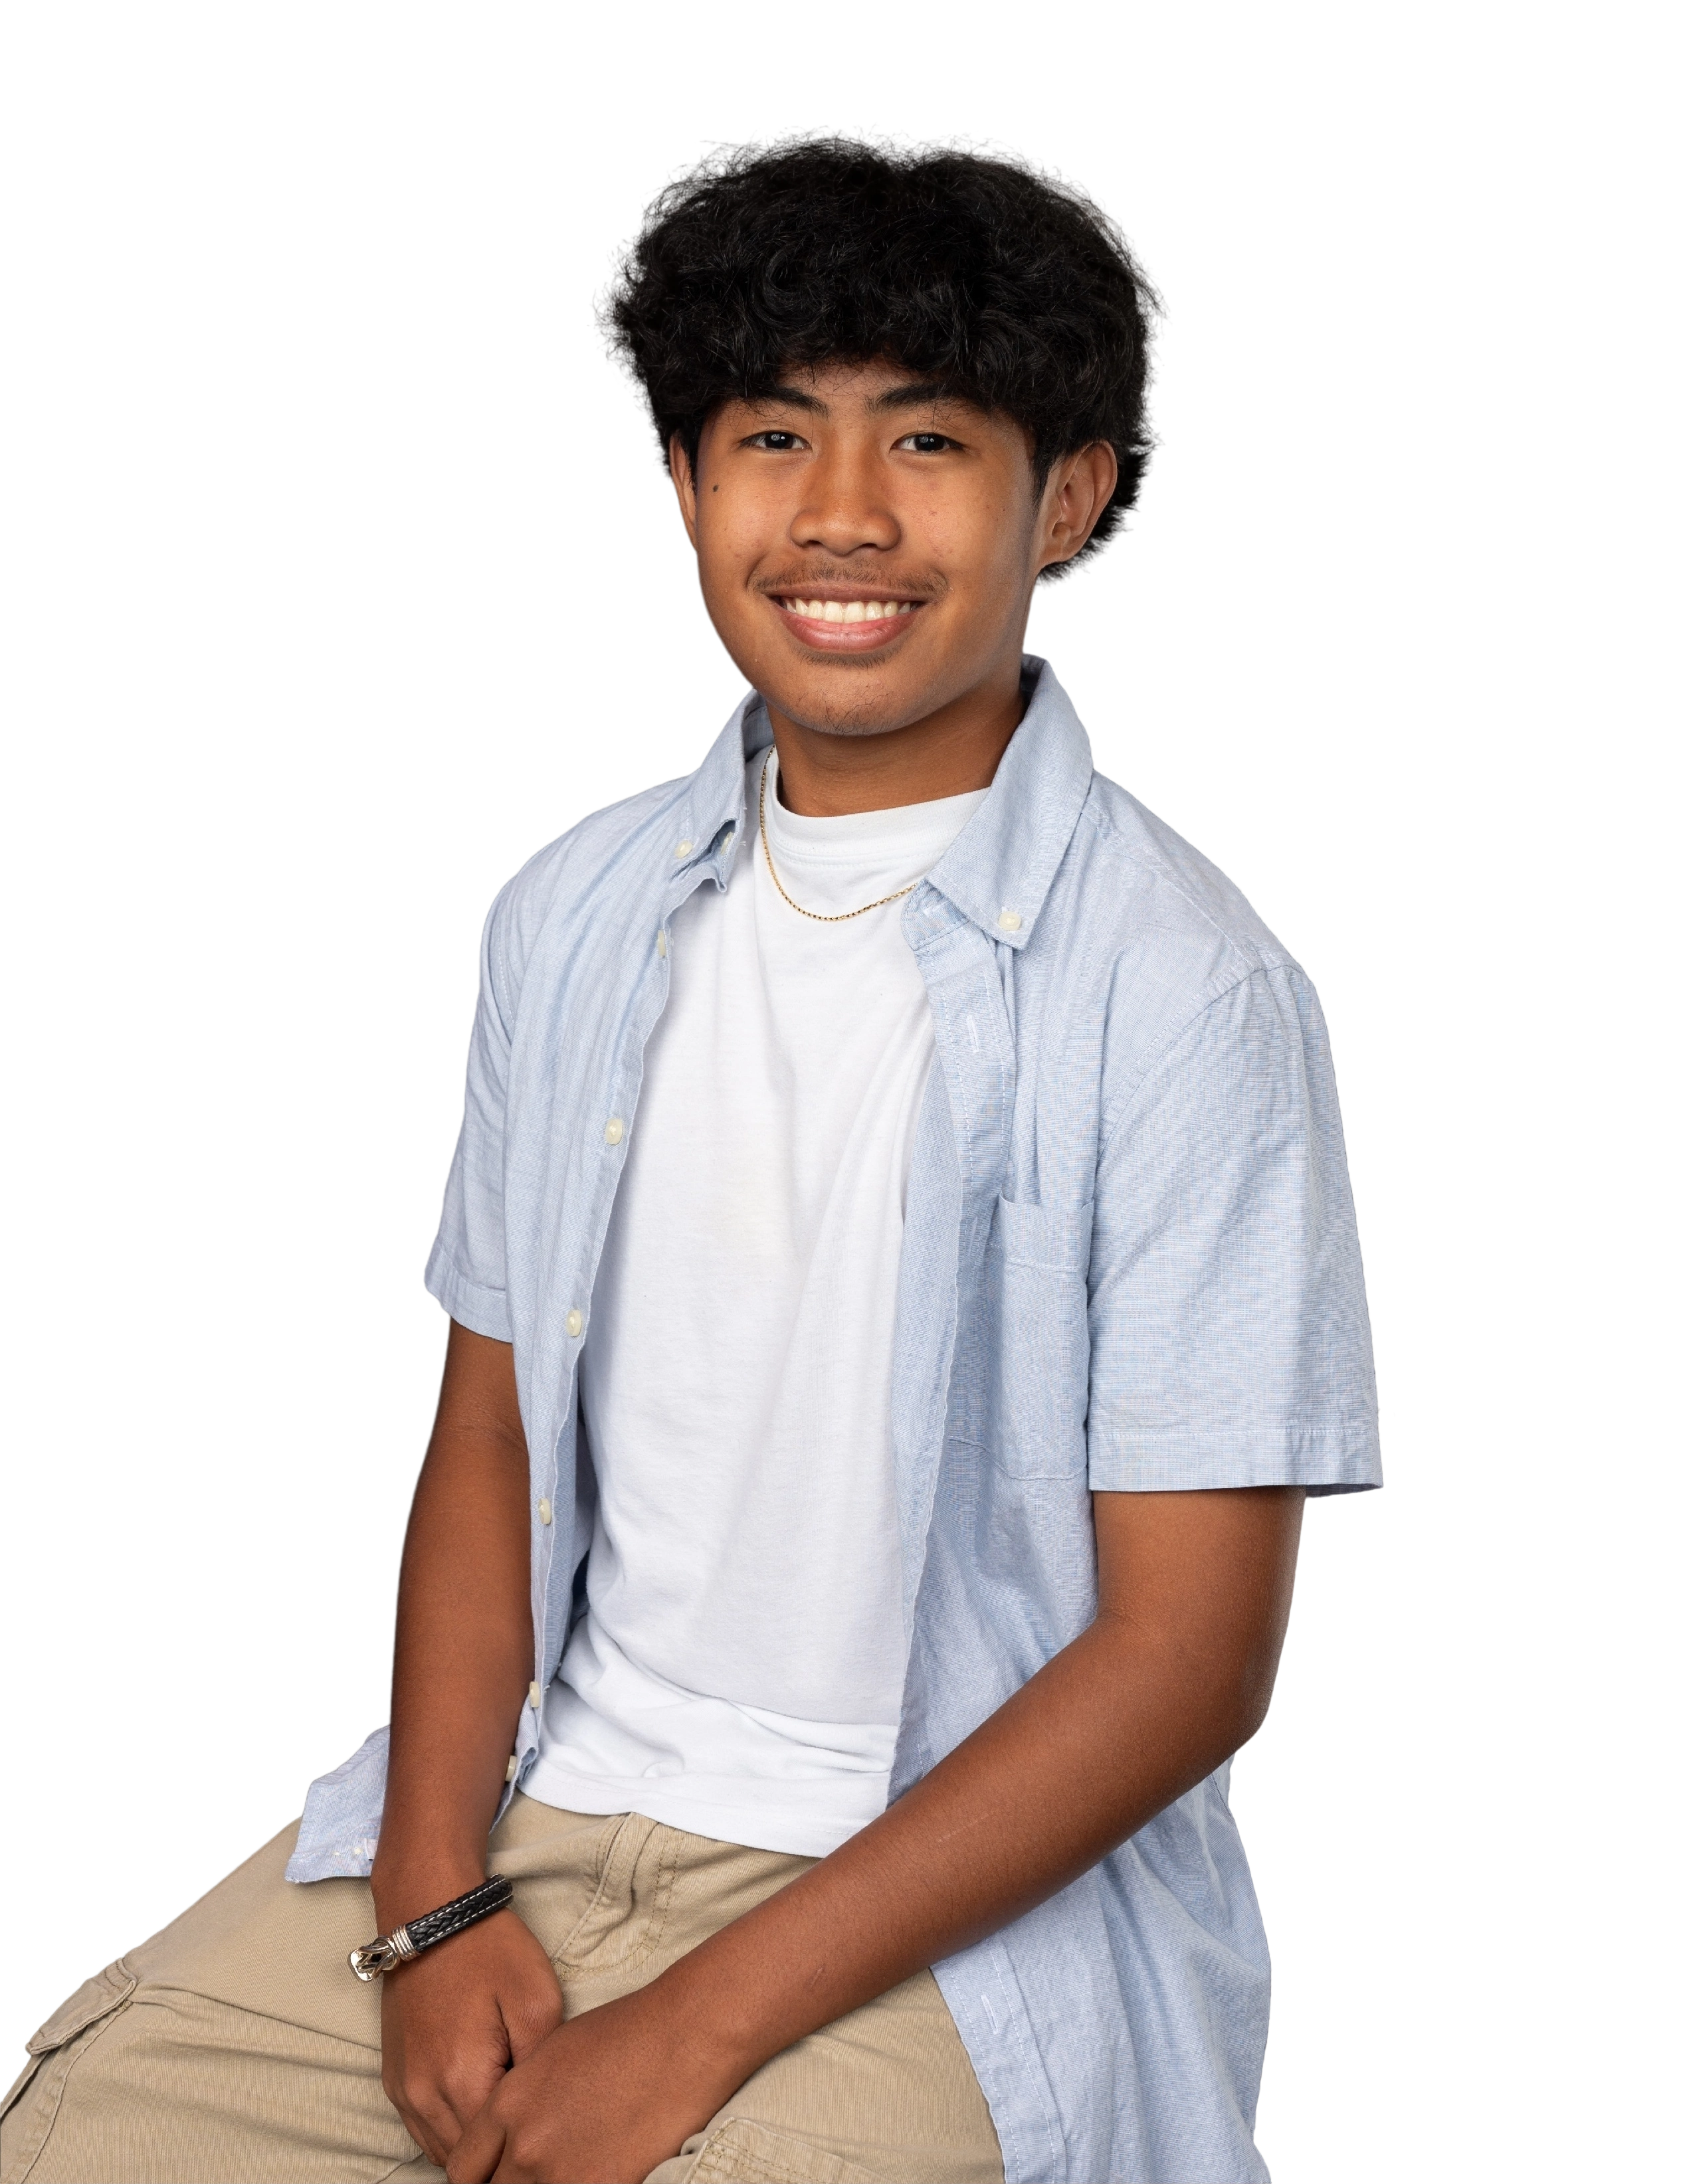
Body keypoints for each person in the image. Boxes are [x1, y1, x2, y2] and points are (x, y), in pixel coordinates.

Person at [1, 124, 1382, 2184]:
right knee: (89, 2126)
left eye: (929, 441)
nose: (841, 516)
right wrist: (433, 1901)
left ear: (1067, 497)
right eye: (771, 438)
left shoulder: (1182, 992)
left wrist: (690, 2034)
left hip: (930, 1898)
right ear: (682, 479)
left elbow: (1180, 1663)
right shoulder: (573, 908)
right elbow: (493, 1435)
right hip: (540, 1813)